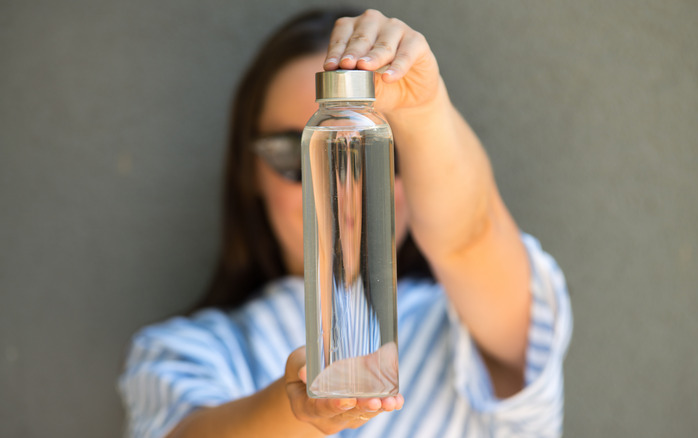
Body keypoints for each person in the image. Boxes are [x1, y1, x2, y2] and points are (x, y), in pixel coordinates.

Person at [118, 7, 572, 438]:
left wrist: (422, 109)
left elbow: (469, 238)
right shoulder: (187, 352)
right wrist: (297, 407)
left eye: (379, 155)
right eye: (297, 156)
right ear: (249, 168)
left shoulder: (468, 325)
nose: (340, 188)